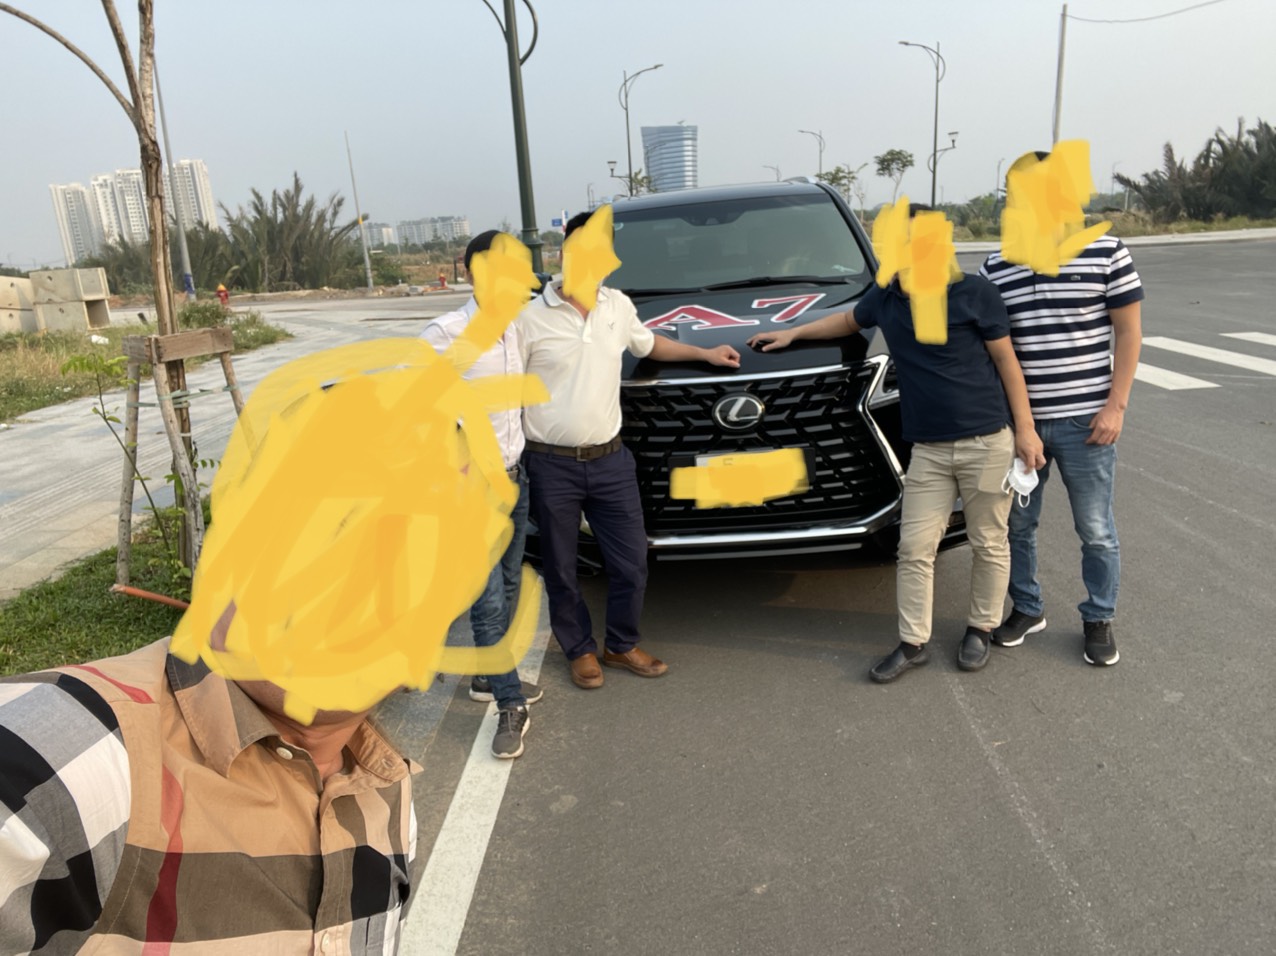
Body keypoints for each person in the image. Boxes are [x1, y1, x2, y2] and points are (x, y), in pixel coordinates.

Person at [748, 204, 1044, 682]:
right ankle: (913, 642)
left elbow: (1007, 363)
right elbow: (847, 321)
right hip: (927, 450)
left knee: (989, 542)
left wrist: (1025, 431)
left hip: (986, 441)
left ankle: (980, 628)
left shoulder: (973, 293)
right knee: (914, 547)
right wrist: (792, 334)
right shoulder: (886, 296)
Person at [520, 209, 741, 689]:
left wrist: (704, 353)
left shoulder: (617, 306)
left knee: (631, 563)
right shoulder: (528, 319)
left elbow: (649, 346)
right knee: (561, 567)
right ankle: (579, 650)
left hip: (611, 461)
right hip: (550, 463)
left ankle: (620, 644)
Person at [980, 151, 1145, 666]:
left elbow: (1128, 332)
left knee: (1095, 529)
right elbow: (990, 346)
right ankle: (1027, 608)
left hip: (1086, 424)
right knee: (1016, 526)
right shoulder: (997, 266)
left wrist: (1116, 407)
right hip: (1021, 428)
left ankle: (1098, 617)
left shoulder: (1105, 251)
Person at [421, 229, 543, 759]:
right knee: (489, 600)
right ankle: (510, 705)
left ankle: (487, 678)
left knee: (509, 582)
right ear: (471, 272)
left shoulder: (517, 327)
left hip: (515, 479)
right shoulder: (446, 333)